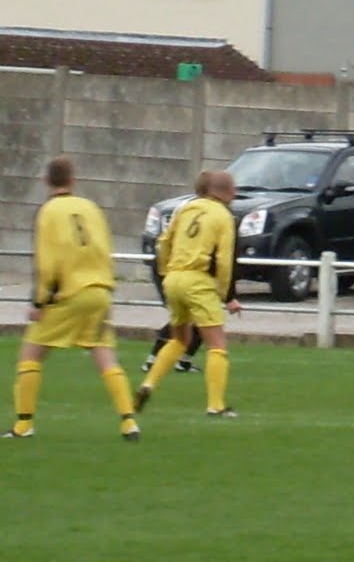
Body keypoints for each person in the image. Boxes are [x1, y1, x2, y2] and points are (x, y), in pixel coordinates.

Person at [5, 157, 139, 441]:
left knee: (31, 354)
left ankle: (23, 425)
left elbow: (47, 262)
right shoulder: (91, 208)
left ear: (45, 181)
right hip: (100, 291)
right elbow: (105, 248)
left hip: (69, 293)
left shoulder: (48, 212)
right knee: (103, 353)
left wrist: (39, 302)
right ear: (73, 179)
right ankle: (128, 421)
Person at [137, 170, 245, 417]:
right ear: (226, 191)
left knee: (180, 340)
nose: (236, 193)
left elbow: (163, 242)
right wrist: (227, 295)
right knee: (217, 345)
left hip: (174, 278)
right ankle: (216, 405)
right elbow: (225, 260)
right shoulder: (224, 216)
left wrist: (166, 272)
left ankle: (147, 384)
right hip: (199, 281)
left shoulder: (185, 208)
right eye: (234, 189)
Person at [142, 169, 213, 374]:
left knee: (195, 317)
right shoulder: (195, 210)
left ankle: (181, 360)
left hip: (175, 268)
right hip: (174, 268)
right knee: (186, 318)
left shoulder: (192, 208)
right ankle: (155, 359)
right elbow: (167, 242)